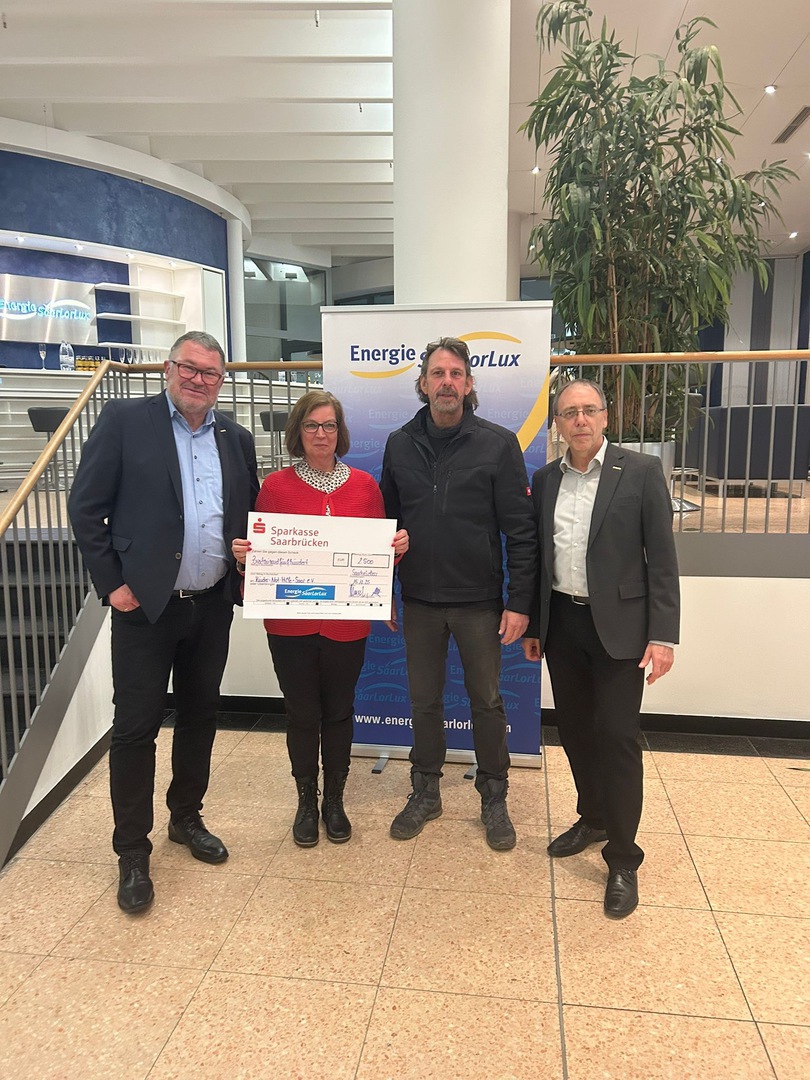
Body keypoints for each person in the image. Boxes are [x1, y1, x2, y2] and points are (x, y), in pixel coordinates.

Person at [68, 331, 258, 914]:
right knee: (135, 728)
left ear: (221, 381)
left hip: (212, 603)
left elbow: (246, 512)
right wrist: (112, 584)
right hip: (144, 607)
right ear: (168, 369)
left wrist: (249, 553)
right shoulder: (126, 422)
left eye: (210, 372)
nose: (199, 379)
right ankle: (132, 851)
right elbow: (85, 507)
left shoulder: (235, 438)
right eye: (189, 368)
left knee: (201, 715)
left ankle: (186, 818)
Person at [522, 378, 680, 918]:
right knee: (573, 731)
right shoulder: (545, 479)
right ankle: (592, 818)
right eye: (570, 413)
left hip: (621, 629)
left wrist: (663, 635)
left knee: (616, 736)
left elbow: (662, 559)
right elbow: (539, 559)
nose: (580, 421)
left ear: (606, 417)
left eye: (589, 410)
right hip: (563, 624)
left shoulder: (640, 471)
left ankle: (623, 858)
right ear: (558, 424)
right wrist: (534, 625)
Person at [380, 337, 537, 851]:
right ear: (423, 384)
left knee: (487, 702)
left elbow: (521, 531)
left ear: (469, 385)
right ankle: (426, 792)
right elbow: (385, 526)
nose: (446, 382)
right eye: (437, 373)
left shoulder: (498, 444)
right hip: (419, 600)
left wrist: (519, 602)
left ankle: (494, 796)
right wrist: (380, 590)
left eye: (455, 374)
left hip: (479, 602)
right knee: (423, 701)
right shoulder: (399, 444)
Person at [232, 390, 408, 848]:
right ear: (298, 432)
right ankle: (306, 802)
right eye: (312, 425)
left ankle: (335, 800)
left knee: (339, 711)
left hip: (346, 624)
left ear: (340, 432)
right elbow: (261, 559)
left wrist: (395, 551)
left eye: (329, 425)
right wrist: (246, 557)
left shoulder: (366, 488)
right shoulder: (275, 488)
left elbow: (377, 557)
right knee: (301, 713)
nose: (321, 434)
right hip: (289, 625)